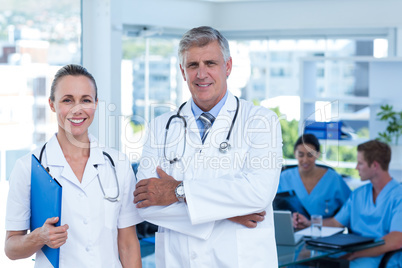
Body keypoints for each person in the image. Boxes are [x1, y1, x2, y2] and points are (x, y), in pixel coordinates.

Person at [134, 26, 283, 267]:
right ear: (183, 72)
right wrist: (231, 212)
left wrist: (176, 191)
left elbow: (257, 195)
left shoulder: (261, 121)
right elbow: (144, 204)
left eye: (210, 63)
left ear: (228, 66)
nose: (201, 74)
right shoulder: (160, 127)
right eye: (193, 65)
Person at [5, 64, 143, 267]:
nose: (77, 109)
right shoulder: (28, 168)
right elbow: (11, 248)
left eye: (85, 100)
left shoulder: (119, 165)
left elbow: (128, 244)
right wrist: (39, 237)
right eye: (67, 100)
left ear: (95, 104)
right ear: (52, 104)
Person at [294, 140, 402, 267]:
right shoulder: (359, 194)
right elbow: (336, 223)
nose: (356, 167)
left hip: (380, 257)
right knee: (303, 260)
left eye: (360, 163)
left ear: (374, 165)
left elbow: (396, 240)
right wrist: (309, 223)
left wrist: (356, 254)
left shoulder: (398, 195)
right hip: (352, 252)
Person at [278, 134, 351, 218]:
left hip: (325, 229)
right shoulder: (283, 178)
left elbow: (350, 208)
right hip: (292, 229)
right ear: (295, 154)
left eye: (310, 155)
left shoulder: (333, 179)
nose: (305, 160)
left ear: (318, 154)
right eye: (301, 155)